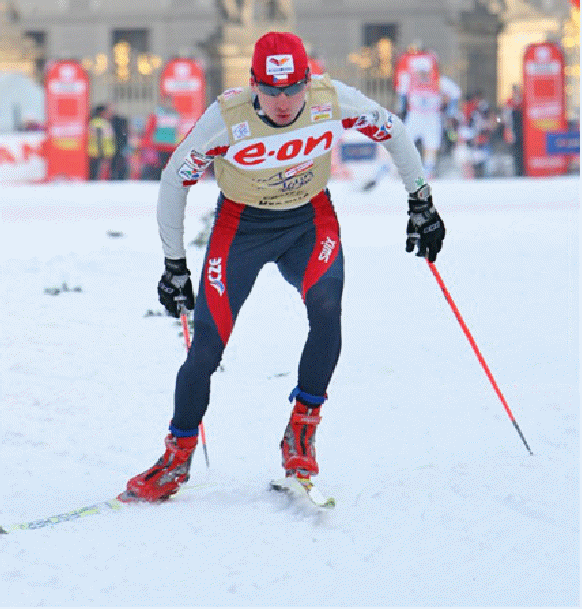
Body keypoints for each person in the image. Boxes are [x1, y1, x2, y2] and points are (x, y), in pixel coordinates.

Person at [120, 31, 445, 502]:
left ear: (307, 81)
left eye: (292, 89)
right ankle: (176, 457)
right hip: (241, 228)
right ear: (253, 84)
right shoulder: (226, 117)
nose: (282, 102)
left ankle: (301, 432)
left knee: (327, 309)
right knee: (206, 348)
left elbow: (392, 129)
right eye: (270, 91)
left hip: (308, 220)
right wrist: (174, 265)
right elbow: (174, 181)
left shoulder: (329, 99)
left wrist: (421, 203)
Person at [140, 94, 181, 180]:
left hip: (171, 145)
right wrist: (147, 142)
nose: (168, 103)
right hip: (159, 145)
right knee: (158, 167)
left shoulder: (175, 114)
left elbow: (177, 130)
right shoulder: (157, 114)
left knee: (168, 167)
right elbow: (150, 128)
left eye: (170, 101)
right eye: (167, 101)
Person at [88, 104, 116, 180]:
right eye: (108, 112)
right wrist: (102, 155)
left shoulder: (103, 122)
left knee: (100, 175)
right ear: (102, 112)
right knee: (99, 176)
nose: (110, 114)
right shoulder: (98, 123)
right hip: (99, 154)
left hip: (101, 153)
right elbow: (99, 139)